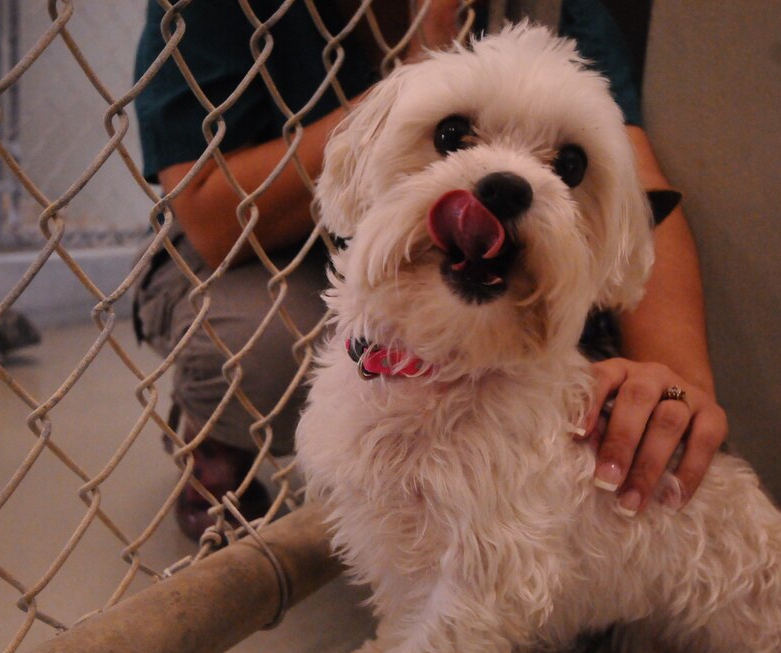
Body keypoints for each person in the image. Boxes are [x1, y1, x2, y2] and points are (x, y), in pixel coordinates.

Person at [133, 0, 727, 540]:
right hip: (254, 247)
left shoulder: (555, 8)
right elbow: (212, 214)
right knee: (260, 347)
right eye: (453, 136)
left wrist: (676, 383)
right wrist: (411, 81)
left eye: (563, 163)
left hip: (464, 253)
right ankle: (216, 442)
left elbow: (634, 190)